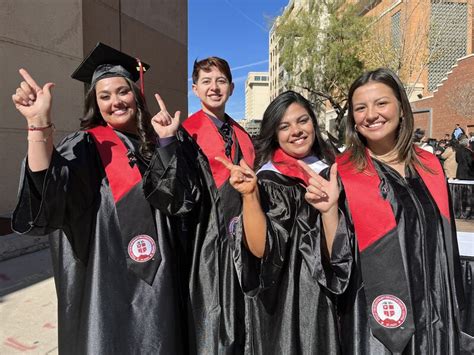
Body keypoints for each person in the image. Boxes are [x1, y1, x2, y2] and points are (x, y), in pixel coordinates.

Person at [10, 43, 193, 354]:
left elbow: (182, 206)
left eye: (123, 91)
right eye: (104, 96)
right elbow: (50, 190)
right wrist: (38, 126)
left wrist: (167, 144)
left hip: (162, 285)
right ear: (95, 104)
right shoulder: (86, 145)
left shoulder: (159, 141)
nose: (116, 101)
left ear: (137, 95)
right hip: (105, 285)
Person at [334, 68, 472, 353]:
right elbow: (335, 258)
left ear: (401, 108)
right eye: (360, 108)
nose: (371, 114)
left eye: (381, 103)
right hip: (378, 321)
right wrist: (326, 211)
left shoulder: (429, 167)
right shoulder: (343, 174)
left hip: (436, 312)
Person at [216, 90, 350, 353]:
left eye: (303, 121)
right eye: (284, 126)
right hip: (281, 304)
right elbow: (260, 251)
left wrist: (330, 209)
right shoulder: (267, 180)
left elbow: (343, 250)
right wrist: (251, 196)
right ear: (274, 134)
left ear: (314, 122)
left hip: (329, 296)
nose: (296, 131)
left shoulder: (334, 172)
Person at [144, 56, 255, 353]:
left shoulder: (243, 135)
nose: (214, 87)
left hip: (244, 244)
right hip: (203, 247)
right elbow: (173, 194)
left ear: (232, 87)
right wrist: (166, 144)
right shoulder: (185, 133)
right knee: (210, 326)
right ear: (195, 89)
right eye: (206, 81)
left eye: (220, 81)